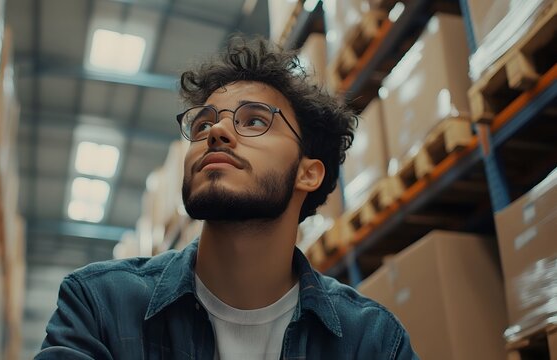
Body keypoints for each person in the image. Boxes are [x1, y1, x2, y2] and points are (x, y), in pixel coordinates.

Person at [36, 36, 417, 359]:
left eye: (254, 120)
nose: (217, 131)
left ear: (308, 173)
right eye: (203, 123)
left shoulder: (372, 341)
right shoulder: (100, 305)